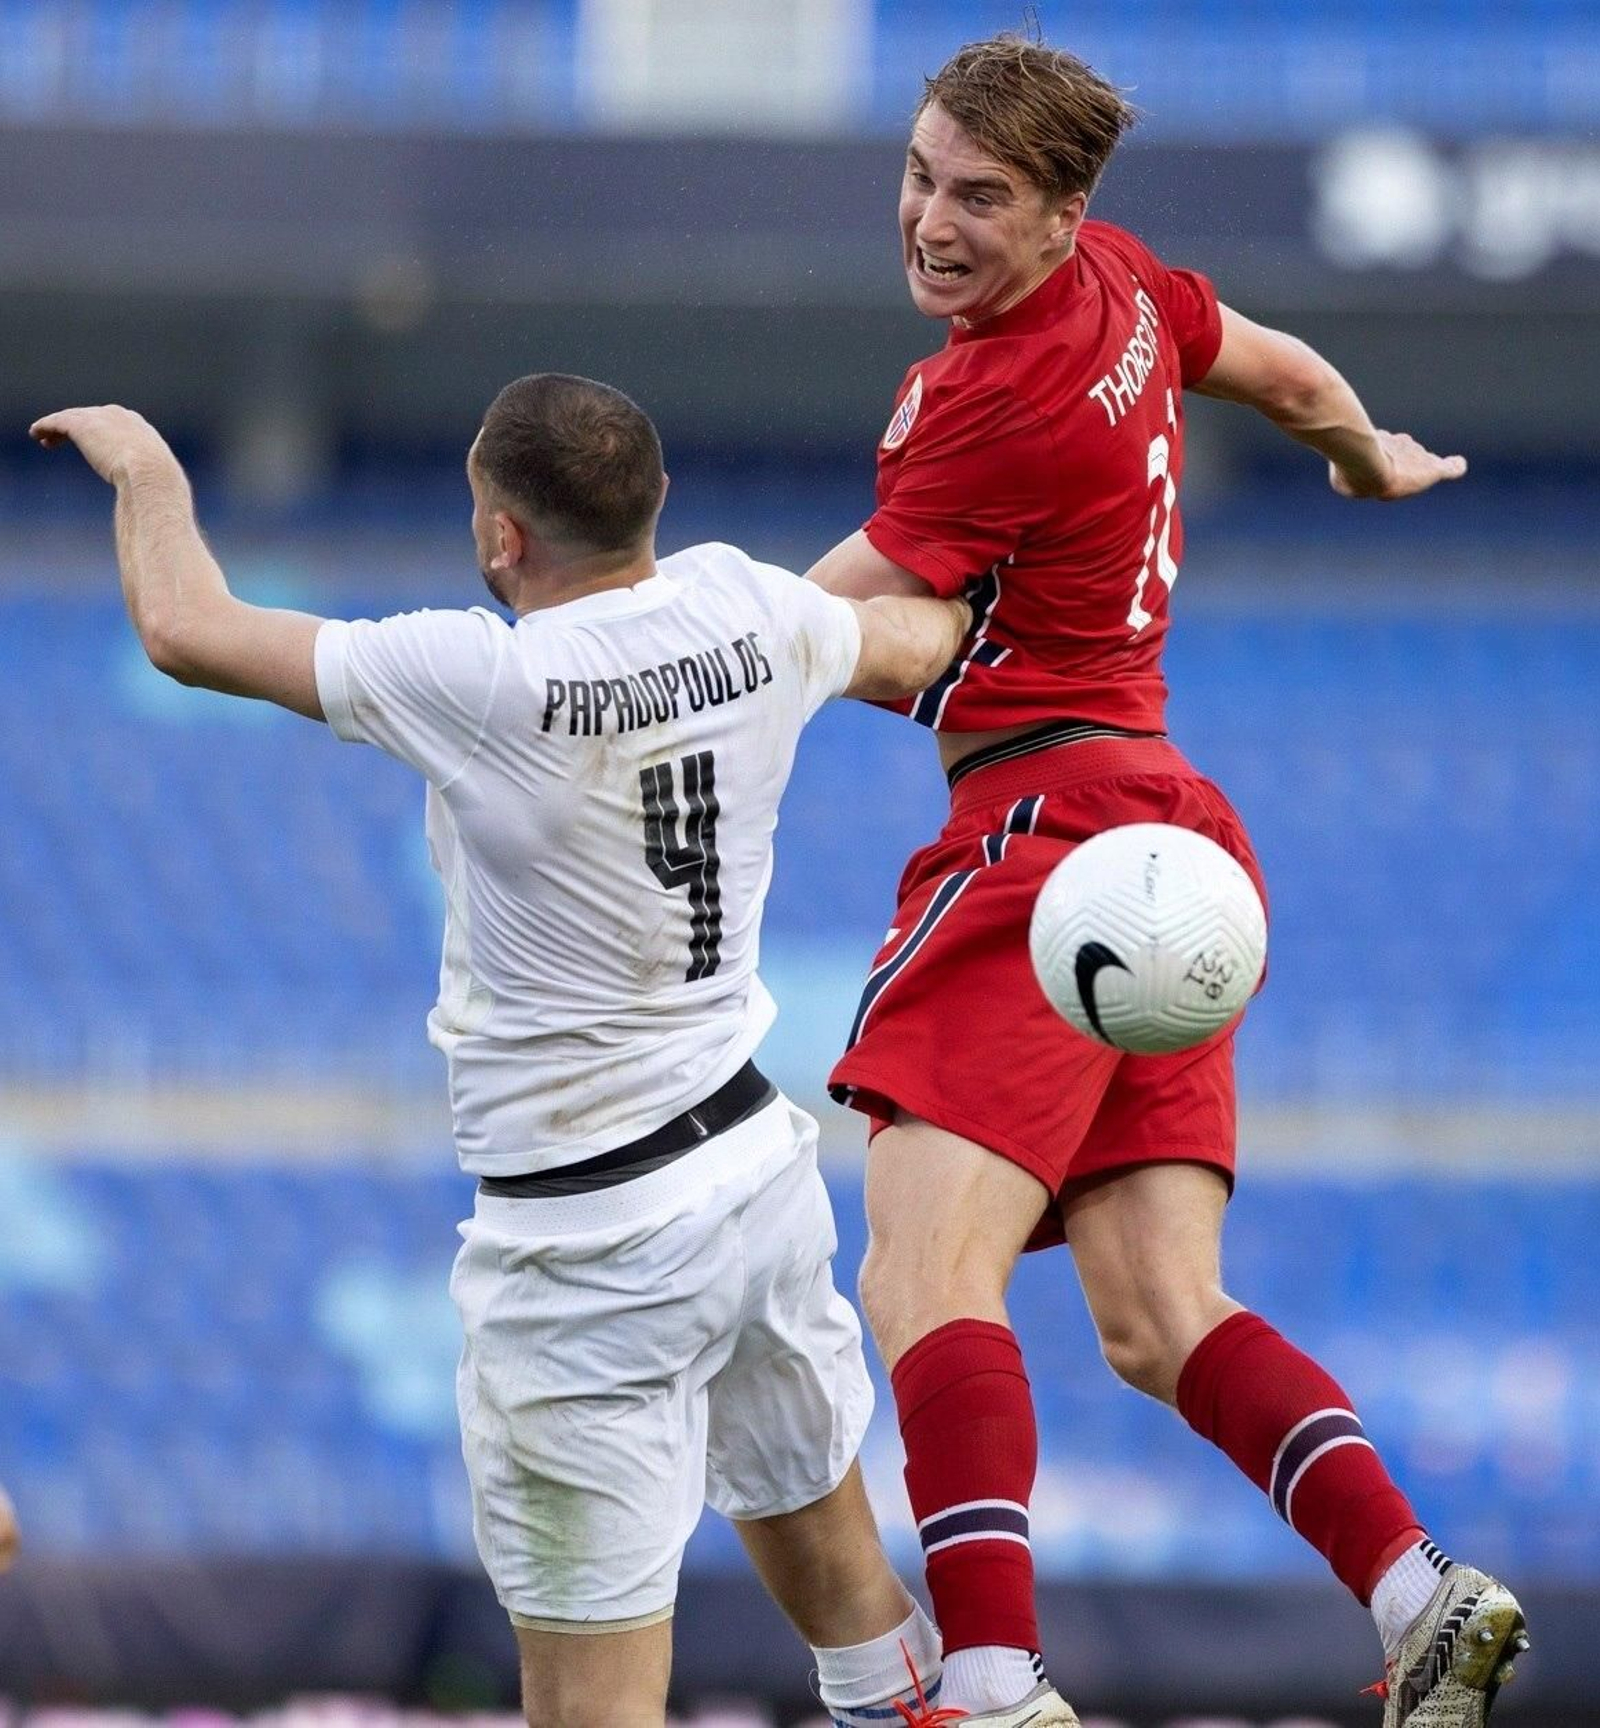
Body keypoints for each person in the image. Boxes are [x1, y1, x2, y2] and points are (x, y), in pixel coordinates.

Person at [32, 374, 976, 1728]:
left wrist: (145, 470)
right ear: (656, 502)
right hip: (753, 1176)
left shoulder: (489, 678)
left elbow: (186, 630)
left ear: (501, 537)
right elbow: (915, 640)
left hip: (585, 1248)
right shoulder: (751, 605)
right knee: (845, 1581)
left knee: (593, 1700)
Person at [804, 35, 1528, 1728]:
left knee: (922, 1280)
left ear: (1062, 214)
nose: (932, 221)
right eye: (920, 176)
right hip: (1172, 835)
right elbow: (1279, 368)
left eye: (981, 198)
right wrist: (1365, 453)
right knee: (1159, 1311)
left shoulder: (983, 399)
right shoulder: (1125, 285)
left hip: (1044, 839)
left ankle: (993, 1681)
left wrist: (652, 662)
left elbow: (832, 611)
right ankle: (1417, 1589)